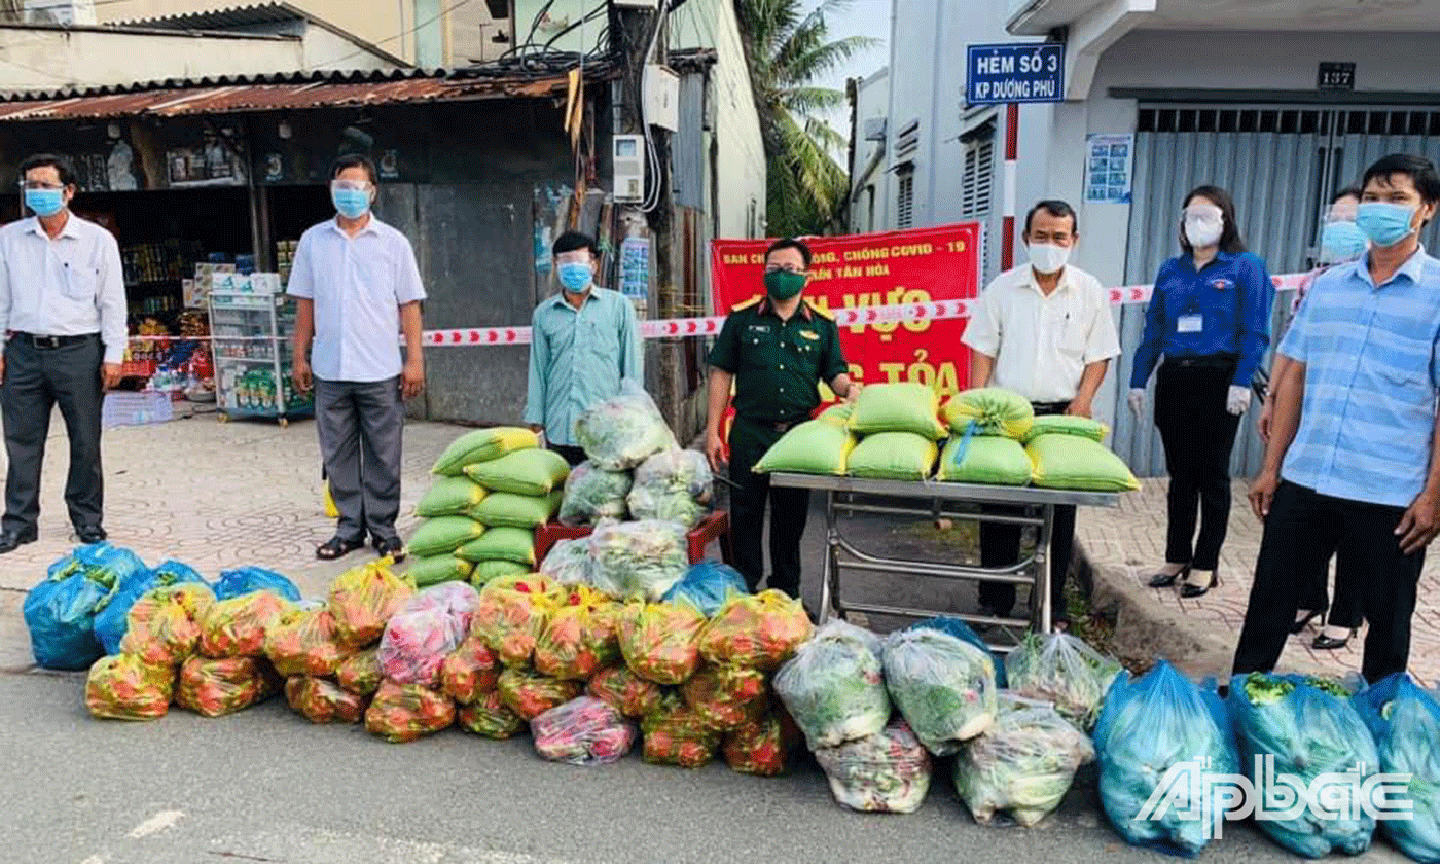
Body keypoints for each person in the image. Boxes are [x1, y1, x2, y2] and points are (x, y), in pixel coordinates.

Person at [1233, 153, 1440, 684]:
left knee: (1388, 627)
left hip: (1389, 491)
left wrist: (1434, 495)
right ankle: (1240, 706)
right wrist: (1271, 467)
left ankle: (1381, 728)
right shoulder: (1328, 286)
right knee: (1268, 607)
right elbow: (1295, 379)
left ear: (1427, 211)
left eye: (1397, 199)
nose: (1380, 209)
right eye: (1372, 198)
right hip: (1308, 478)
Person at [962, 200, 1121, 630]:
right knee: (999, 509)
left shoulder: (1089, 291)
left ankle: (1051, 604)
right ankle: (994, 599)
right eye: (1042, 236)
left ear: (1074, 240)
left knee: (1057, 514)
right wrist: (977, 400)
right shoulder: (1002, 289)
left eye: (1059, 238)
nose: (1050, 245)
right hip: (1006, 414)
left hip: (1062, 413)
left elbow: (1099, 355)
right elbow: (982, 347)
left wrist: (1084, 401)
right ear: (1026, 238)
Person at [1128, 185, 1273, 599]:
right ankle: (1177, 555)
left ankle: (1205, 563)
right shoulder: (1170, 271)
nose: (1198, 224)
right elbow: (1153, 328)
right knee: (1180, 475)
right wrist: (1139, 379)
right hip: (1176, 378)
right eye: (1191, 216)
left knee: (1211, 474)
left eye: (1207, 216)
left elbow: (1255, 329)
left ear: (1225, 221)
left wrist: (1243, 379)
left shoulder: (1245, 267)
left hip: (1219, 378)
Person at [289, 154, 426, 563]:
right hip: (331, 369)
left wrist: (414, 360)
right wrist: (300, 357)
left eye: (356, 188)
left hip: (380, 368)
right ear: (331, 190)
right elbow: (305, 306)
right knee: (338, 453)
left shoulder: (393, 243)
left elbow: (410, 307)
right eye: (341, 187)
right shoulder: (313, 241)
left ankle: (384, 530)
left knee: (384, 453)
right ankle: (348, 528)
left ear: (372, 192)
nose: (348, 195)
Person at [705, 238, 858, 602]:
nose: (781, 277)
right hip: (749, 432)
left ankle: (785, 595)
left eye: (789, 269)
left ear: (806, 275)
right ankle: (742, 596)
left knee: (790, 522)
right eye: (773, 269)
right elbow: (721, 374)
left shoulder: (821, 326)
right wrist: (713, 431)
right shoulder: (742, 321)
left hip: (797, 438)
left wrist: (853, 392)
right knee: (745, 517)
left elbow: (834, 373)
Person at [1257, 186, 1367, 649]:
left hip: (1361, 426)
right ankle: (1308, 598)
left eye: (1351, 219)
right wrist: (1273, 397)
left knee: (1354, 519)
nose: (1340, 228)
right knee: (1306, 508)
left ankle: (1345, 614)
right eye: (1334, 219)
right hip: (1312, 412)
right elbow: (1291, 345)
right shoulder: (1316, 282)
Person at [0, 154, 127, 554]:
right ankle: (19, 523)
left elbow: (112, 301)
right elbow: (1, 298)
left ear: (68, 192)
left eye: (45, 186)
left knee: (85, 440)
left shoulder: (96, 240)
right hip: (24, 351)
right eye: (30, 186)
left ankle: (87, 520)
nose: (36, 193)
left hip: (79, 352)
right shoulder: (9, 238)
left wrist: (114, 354)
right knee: (21, 441)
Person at [524, 231, 643, 467]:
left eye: (579, 261)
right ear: (556, 266)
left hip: (605, 429)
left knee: (603, 499)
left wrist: (633, 418)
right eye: (565, 262)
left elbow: (631, 367)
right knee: (563, 498)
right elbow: (538, 369)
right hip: (560, 428)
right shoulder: (544, 314)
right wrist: (535, 420)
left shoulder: (619, 306)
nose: (572, 268)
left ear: (594, 265)